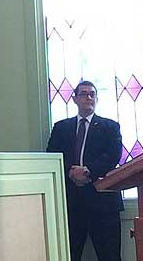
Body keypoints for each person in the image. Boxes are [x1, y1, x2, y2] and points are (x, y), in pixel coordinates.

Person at [47, 80, 123, 261]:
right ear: (74, 99)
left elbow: (113, 156)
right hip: (71, 203)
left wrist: (88, 171)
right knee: (69, 254)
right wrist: (71, 172)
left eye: (92, 94)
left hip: (103, 203)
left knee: (110, 255)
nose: (89, 97)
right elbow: (52, 156)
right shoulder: (61, 128)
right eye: (84, 94)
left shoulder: (111, 127)